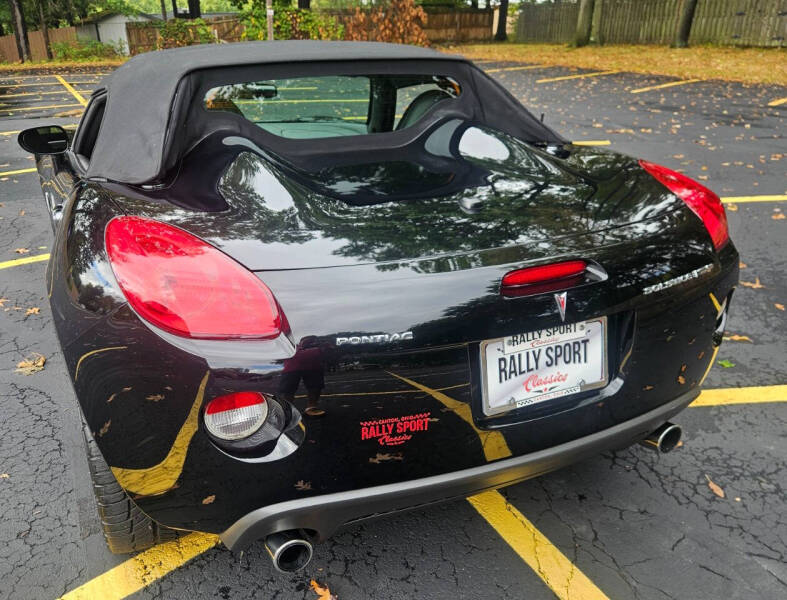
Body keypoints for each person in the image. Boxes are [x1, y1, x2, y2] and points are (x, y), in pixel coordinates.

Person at [277, 336, 328, 417]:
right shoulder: (293, 348)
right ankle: (287, 409)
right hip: (292, 368)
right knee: (288, 389)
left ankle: (312, 407)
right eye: (308, 341)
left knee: (315, 387)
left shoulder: (320, 346)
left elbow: (326, 353)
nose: (311, 342)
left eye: (312, 341)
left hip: (312, 367)